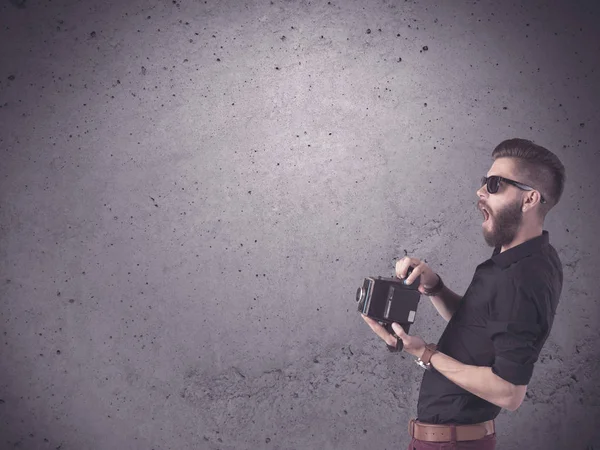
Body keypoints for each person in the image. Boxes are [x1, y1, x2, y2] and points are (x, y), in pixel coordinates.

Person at [362, 138, 566, 449]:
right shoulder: (511, 260)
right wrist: (435, 288)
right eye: (484, 181)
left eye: (495, 184)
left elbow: (509, 392)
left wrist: (425, 353)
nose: (480, 191)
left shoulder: (525, 278)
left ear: (530, 199)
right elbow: (479, 325)